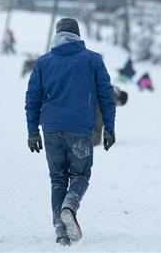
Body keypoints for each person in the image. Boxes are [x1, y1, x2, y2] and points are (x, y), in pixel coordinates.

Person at [25, 18, 116, 246]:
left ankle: (61, 231)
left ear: (57, 35)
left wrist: (32, 131)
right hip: (80, 130)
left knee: (58, 179)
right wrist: (109, 127)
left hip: (51, 129)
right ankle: (69, 207)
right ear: (77, 34)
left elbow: (32, 99)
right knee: (80, 176)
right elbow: (107, 96)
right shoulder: (93, 60)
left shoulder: (44, 62)